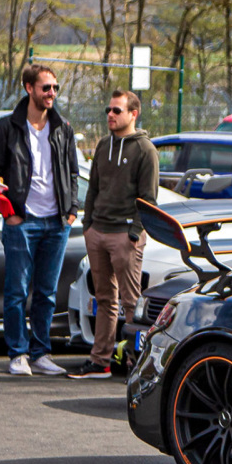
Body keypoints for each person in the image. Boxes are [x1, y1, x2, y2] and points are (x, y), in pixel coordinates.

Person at [0, 65, 79, 376]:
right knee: (16, 291)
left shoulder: (63, 127)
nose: (51, 93)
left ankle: (41, 352)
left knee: (47, 292)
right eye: (45, 88)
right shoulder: (7, 127)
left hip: (56, 223)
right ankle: (18, 353)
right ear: (29, 88)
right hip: (21, 221)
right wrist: (7, 211)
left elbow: (73, 172)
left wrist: (71, 210)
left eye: (54, 87)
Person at [68, 90, 157, 380]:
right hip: (98, 232)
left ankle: (135, 362)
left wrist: (134, 233)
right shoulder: (104, 145)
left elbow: (149, 199)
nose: (110, 114)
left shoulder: (145, 149)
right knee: (105, 298)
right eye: (108, 109)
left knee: (132, 303)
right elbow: (92, 189)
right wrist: (88, 225)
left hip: (124, 236)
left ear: (133, 114)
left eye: (117, 110)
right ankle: (100, 360)